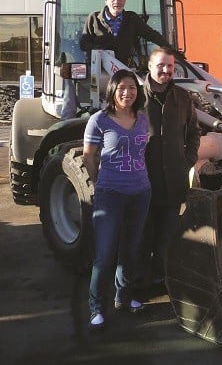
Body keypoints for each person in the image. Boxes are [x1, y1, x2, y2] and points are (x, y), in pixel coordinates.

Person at [82, 69, 151, 331]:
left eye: (132, 87)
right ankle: (96, 307)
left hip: (141, 192)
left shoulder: (143, 119)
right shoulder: (99, 120)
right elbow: (89, 157)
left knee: (131, 249)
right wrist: (99, 182)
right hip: (110, 194)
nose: (127, 92)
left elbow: (145, 150)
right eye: (121, 87)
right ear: (112, 90)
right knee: (104, 254)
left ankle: (123, 297)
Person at [142, 47, 200, 288]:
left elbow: (194, 132)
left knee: (167, 234)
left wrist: (187, 159)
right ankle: (140, 285)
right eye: (161, 66)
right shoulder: (136, 97)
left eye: (170, 66)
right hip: (143, 180)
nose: (166, 70)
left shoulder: (182, 98)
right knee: (143, 236)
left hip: (173, 181)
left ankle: (161, 278)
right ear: (149, 67)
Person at [80, 0, 174, 67]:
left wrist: (171, 50)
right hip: (97, 68)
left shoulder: (132, 18)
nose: (117, 2)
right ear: (106, 0)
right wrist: (101, 50)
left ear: (125, 0)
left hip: (123, 68)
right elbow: (83, 44)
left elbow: (151, 35)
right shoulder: (94, 18)